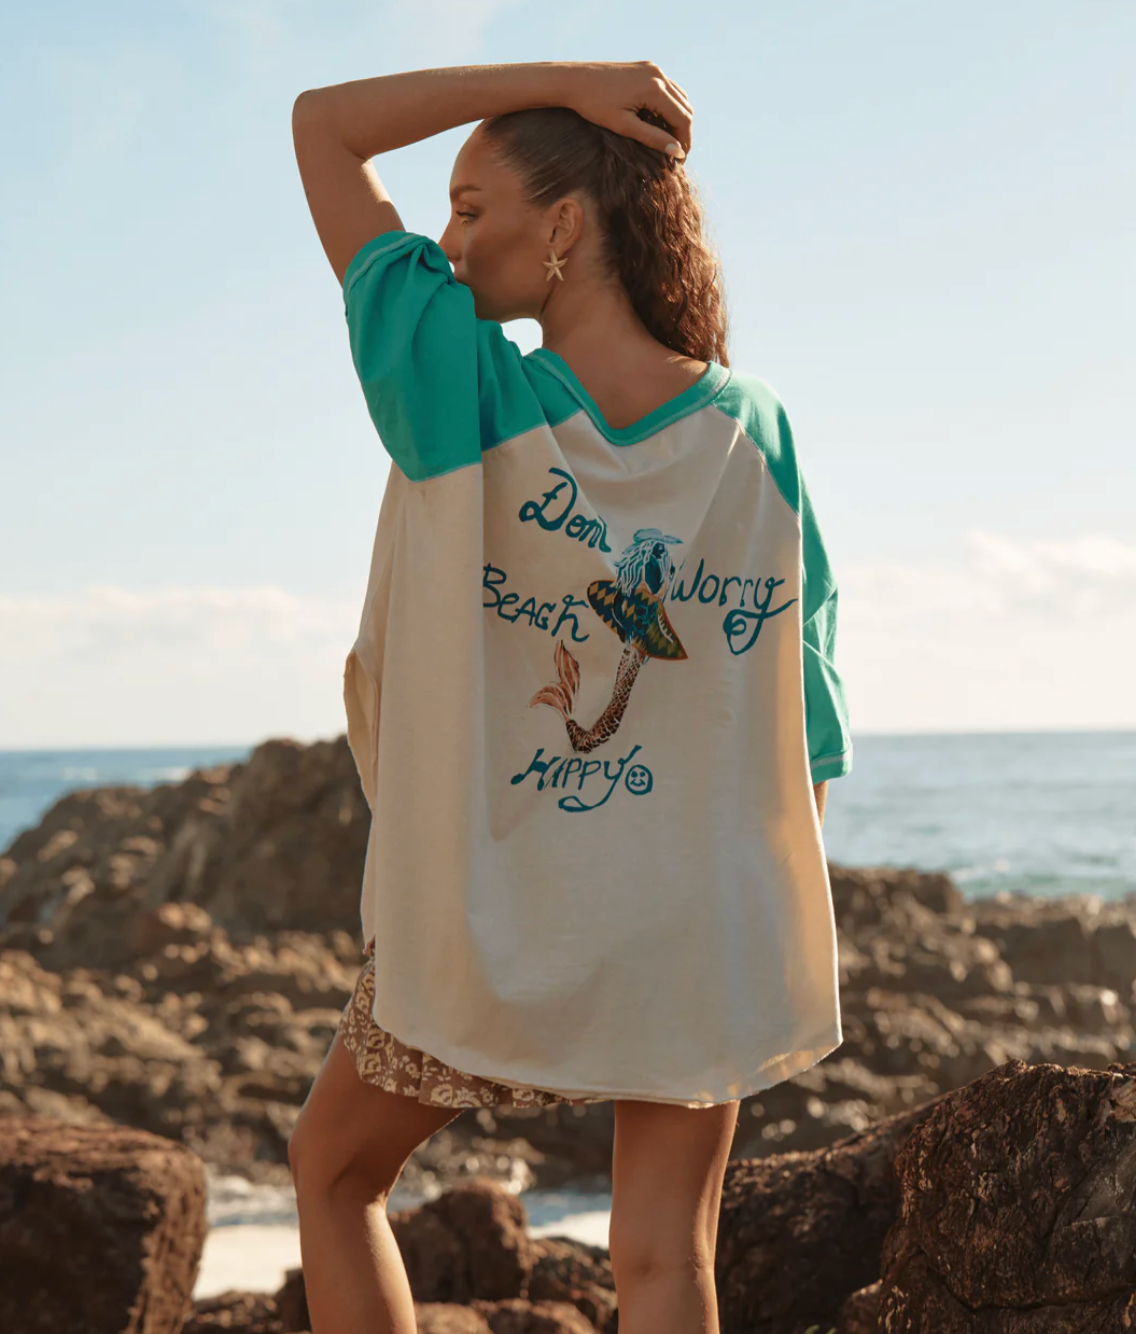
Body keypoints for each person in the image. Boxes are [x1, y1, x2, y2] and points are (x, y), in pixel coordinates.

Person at [287, 60, 852, 1334]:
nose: (446, 241)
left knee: (333, 1170)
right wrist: (739, 909)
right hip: (698, 913)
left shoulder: (462, 387)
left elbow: (322, 128)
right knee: (664, 1258)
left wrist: (564, 83)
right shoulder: (755, 427)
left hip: (499, 908)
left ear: (564, 223)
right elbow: (806, 708)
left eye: (470, 206)